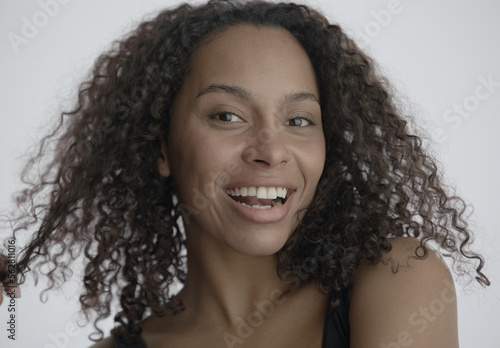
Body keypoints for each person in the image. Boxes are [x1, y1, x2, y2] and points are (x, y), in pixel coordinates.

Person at [0, 1, 490, 347]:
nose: (272, 151)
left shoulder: (396, 279)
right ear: (160, 148)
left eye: (299, 121)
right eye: (227, 116)